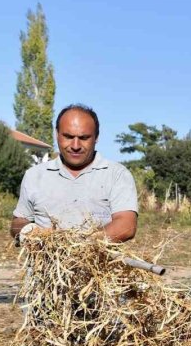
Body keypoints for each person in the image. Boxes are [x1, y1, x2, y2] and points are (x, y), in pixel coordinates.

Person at [10, 104, 138, 243]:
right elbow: (18, 222)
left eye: (84, 138)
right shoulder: (34, 176)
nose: (75, 146)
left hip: (97, 264)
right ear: (57, 134)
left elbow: (126, 225)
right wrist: (28, 231)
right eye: (68, 136)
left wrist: (79, 247)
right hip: (45, 265)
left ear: (96, 137)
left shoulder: (117, 175)